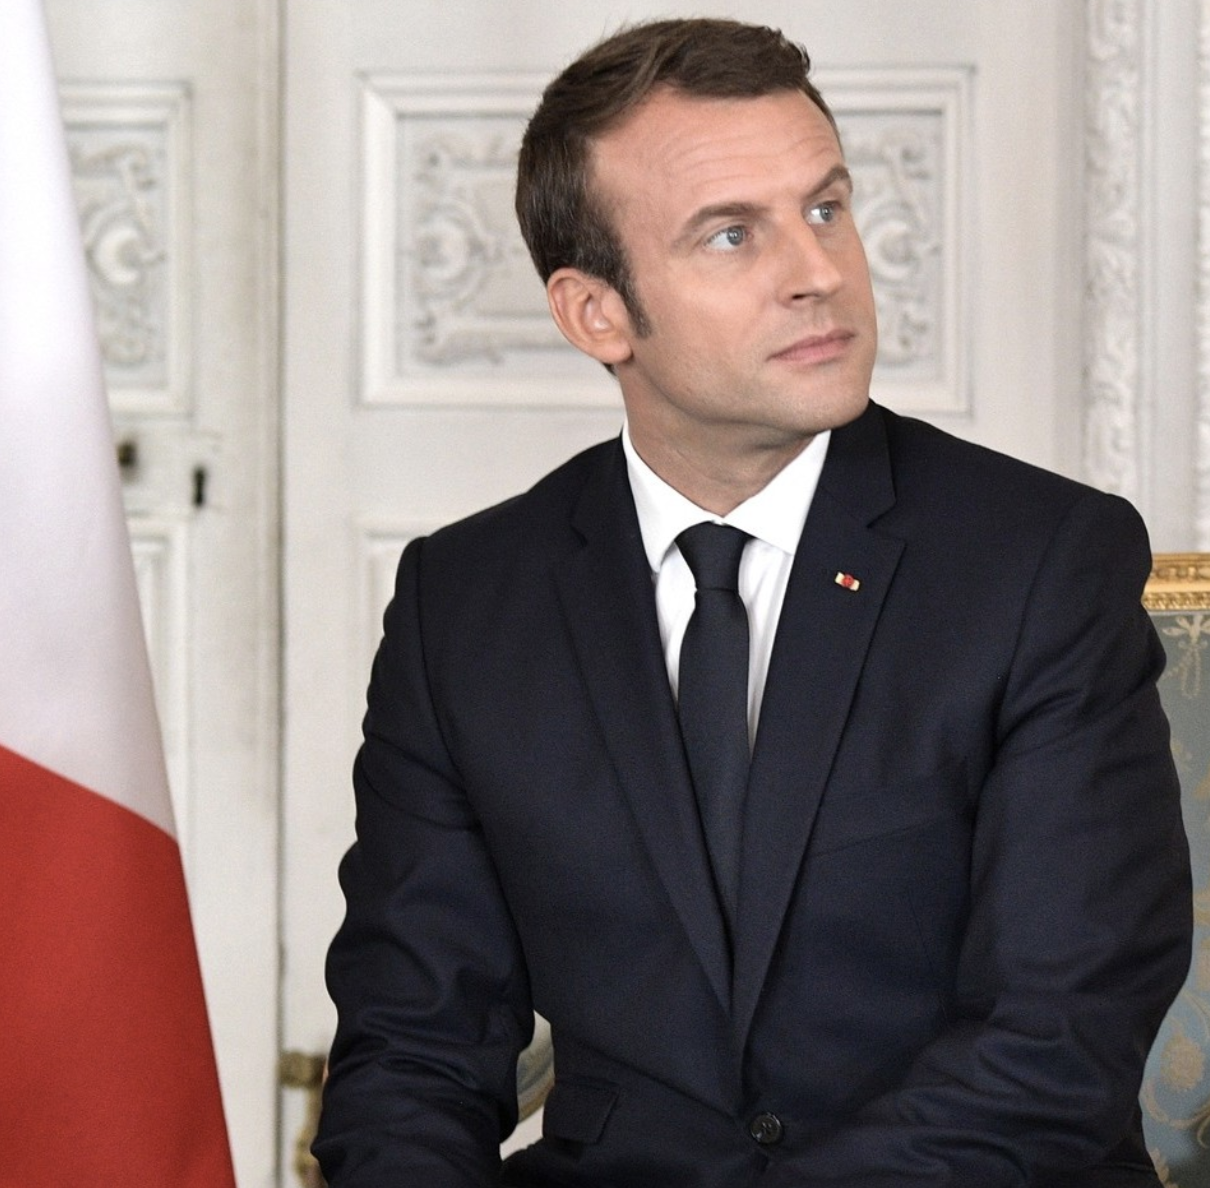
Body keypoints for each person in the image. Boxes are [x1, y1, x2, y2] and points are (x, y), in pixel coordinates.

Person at [313, 17, 1193, 1187]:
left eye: (823, 208)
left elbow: (1050, 1052)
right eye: (731, 234)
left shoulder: (1039, 562)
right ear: (595, 315)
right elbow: (412, 1051)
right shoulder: (463, 603)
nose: (815, 270)